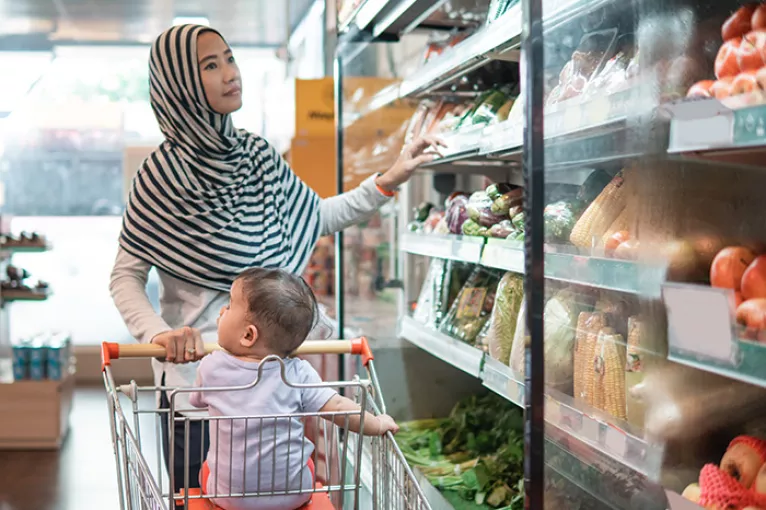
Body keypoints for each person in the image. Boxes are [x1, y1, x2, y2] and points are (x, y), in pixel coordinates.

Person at [109, 24, 443, 493]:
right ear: (178, 84)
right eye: (209, 65)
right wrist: (158, 333)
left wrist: (388, 180)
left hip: (278, 379)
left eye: (229, 58)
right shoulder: (159, 178)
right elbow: (125, 276)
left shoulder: (259, 157)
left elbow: (316, 215)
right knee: (198, 498)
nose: (230, 73)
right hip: (196, 388)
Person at [189, 267, 398, 510]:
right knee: (306, 463)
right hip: (293, 495)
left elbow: (196, 401)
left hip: (231, 499)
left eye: (229, 305)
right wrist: (377, 424)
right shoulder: (298, 373)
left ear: (248, 335)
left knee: (206, 469)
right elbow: (339, 407)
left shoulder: (212, 367)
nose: (222, 311)